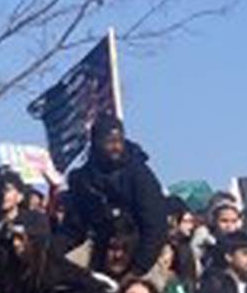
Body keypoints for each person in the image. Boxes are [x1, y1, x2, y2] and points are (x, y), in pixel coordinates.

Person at [56, 115, 167, 276]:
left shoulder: (139, 175)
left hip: (141, 254)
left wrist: (138, 270)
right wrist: (49, 252)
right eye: (109, 142)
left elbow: (155, 227)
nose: (116, 147)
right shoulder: (83, 179)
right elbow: (73, 228)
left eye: (119, 141)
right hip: (101, 252)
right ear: (95, 143)